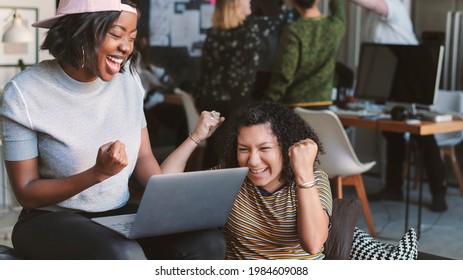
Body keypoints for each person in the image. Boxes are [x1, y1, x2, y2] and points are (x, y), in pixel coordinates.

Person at [0, 0, 225, 260]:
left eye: (131, 37)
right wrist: (97, 173)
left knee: (207, 241)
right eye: (116, 34)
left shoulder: (128, 82)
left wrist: (174, 206)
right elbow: (26, 192)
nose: (126, 47)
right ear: (79, 32)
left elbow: (143, 157)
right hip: (48, 219)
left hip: (114, 214)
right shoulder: (24, 91)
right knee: (124, 255)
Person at [349, 0, 448, 212]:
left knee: (424, 137)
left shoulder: (395, 7)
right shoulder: (370, 19)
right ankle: (394, 188)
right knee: (393, 133)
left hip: (414, 76)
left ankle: (439, 193)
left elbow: (375, 5)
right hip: (393, 78)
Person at [216, 102, 333, 259]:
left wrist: (303, 173)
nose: (253, 161)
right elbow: (172, 195)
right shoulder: (228, 177)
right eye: (243, 149)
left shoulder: (314, 179)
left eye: (264, 148)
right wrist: (195, 138)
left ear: (286, 148)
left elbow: (313, 244)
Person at [194, 0, 289, 169]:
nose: (250, 3)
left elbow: (205, 72)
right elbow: (277, 22)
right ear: (236, 4)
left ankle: (207, 189)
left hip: (210, 100)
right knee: (234, 151)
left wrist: (199, 101)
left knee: (213, 148)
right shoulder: (250, 29)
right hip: (238, 102)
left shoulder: (213, 33)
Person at [264, 0, 345, 109]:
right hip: (323, 105)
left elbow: (284, 74)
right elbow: (338, 9)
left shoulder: (293, 31)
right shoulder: (334, 27)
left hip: (294, 106)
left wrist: (266, 104)